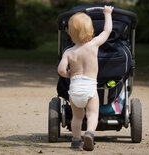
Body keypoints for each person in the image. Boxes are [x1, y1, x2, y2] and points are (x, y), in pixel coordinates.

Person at [57, 5, 113, 151]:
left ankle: (76, 139)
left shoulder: (68, 52)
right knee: (93, 113)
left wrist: (69, 74)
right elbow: (107, 31)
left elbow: (61, 69)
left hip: (74, 88)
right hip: (90, 88)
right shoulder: (94, 45)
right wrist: (107, 14)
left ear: (69, 33)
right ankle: (89, 133)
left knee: (77, 117)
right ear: (92, 31)